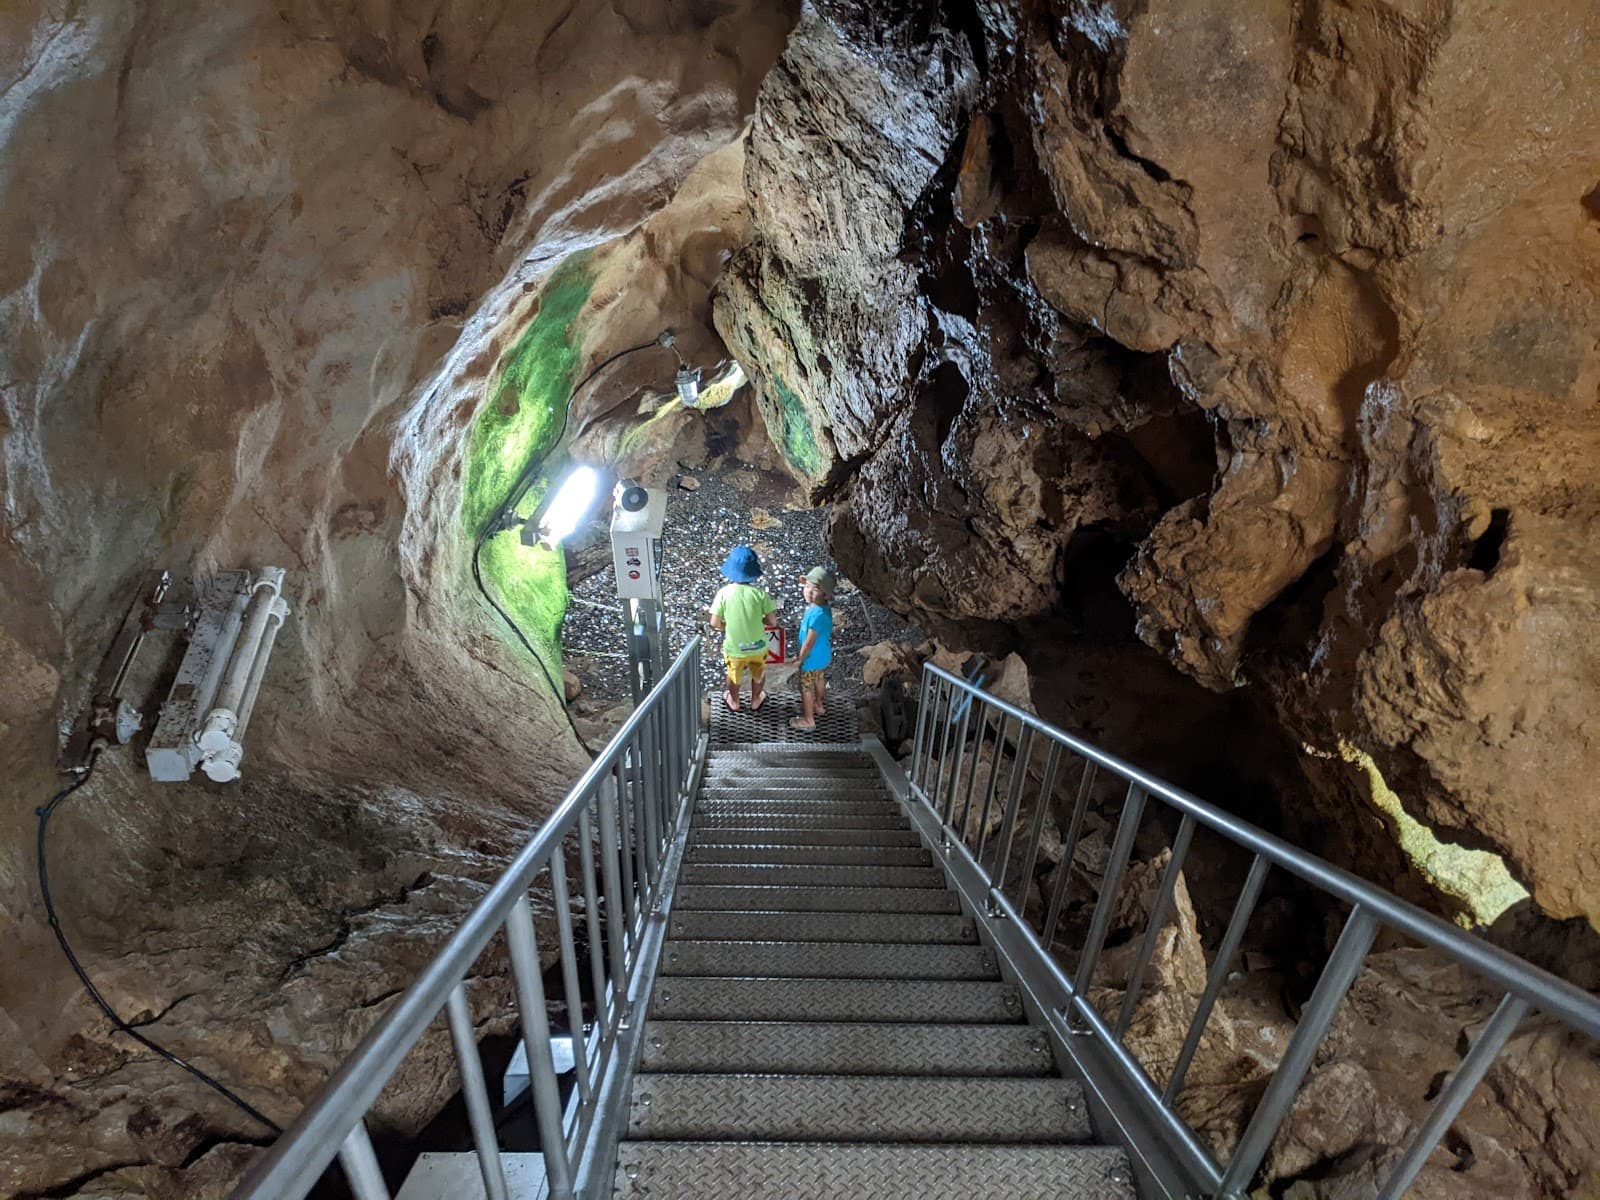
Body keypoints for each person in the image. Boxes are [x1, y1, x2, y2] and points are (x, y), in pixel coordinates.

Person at [709, 545, 777, 712]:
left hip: (735, 649)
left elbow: (714, 622)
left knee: (734, 675)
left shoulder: (723, 593)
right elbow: (772, 622)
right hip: (758, 648)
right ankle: (755, 700)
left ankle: (734, 701)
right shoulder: (760, 594)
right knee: (758, 673)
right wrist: (757, 619)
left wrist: (727, 625)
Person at [790, 566, 836, 730]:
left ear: (825, 594)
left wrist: (800, 658)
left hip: (811, 659)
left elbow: (809, 642)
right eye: (807, 586)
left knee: (806, 687)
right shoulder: (824, 609)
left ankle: (809, 719)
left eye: (815, 589)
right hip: (823, 656)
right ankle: (818, 704)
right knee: (819, 679)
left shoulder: (816, 616)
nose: (809, 592)